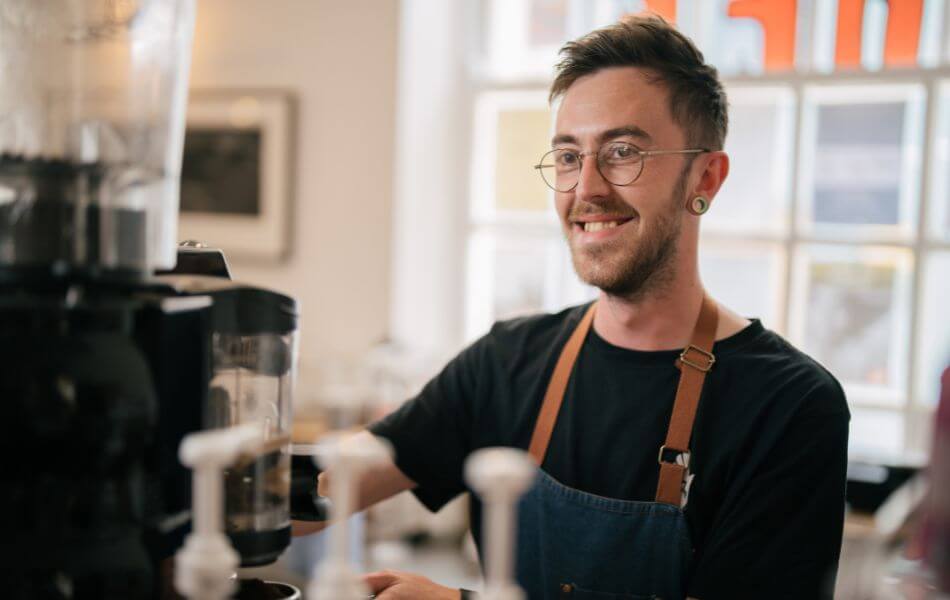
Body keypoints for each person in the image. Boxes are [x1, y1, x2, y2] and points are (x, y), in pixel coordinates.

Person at [297, 14, 850, 600]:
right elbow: (336, 479)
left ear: (706, 178)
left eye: (622, 151)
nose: (586, 188)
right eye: (567, 156)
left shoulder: (789, 407)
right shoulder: (507, 362)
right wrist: (215, 481)